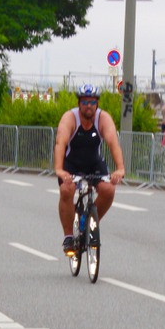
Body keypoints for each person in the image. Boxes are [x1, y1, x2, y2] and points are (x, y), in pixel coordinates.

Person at [54, 84, 126, 256]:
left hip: (94, 163)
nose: (89, 106)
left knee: (108, 190)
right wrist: (59, 170)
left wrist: (120, 168)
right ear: (79, 103)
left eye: (92, 102)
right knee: (67, 190)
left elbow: (113, 143)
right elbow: (60, 143)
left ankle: (90, 224)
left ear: (97, 104)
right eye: (85, 102)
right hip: (71, 164)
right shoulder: (70, 118)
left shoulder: (103, 118)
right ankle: (68, 237)